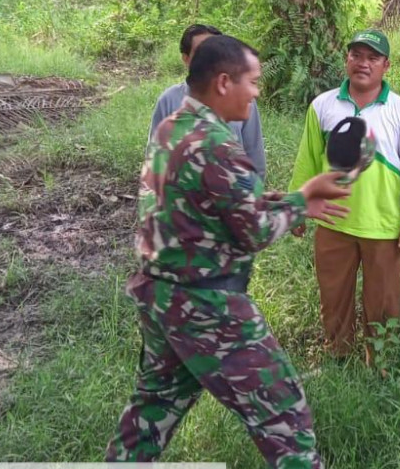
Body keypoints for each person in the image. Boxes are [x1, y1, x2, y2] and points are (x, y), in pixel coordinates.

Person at [105, 35, 352, 468]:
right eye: (253, 82)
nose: (257, 92)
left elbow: (214, 201)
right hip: (208, 306)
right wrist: (303, 200)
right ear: (223, 82)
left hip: (160, 298)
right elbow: (254, 229)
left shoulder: (173, 128)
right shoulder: (216, 144)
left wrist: (293, 198)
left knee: (151, 412)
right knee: (284, 416)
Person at [288, 29, 400, 364]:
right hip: (333, 220)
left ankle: (378, 363)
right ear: (346, 59)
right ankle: (337, 356)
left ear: (386, 65)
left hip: (382, 225)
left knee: (383, 301)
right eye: (356, 55)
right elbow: (307, 158)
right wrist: (297, 206)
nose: (362, 64)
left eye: (372, 58)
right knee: (333, 296)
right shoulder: (323, 106)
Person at [150, 24, 267, 180]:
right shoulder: (168, 100)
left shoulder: (243, 101)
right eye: (202, 54)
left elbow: (254, 155)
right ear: (186, 59)